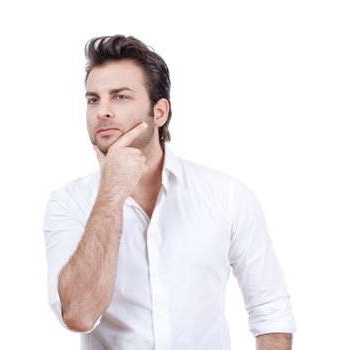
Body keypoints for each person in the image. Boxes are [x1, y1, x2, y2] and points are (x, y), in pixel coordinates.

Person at [43, 34, 296, 350]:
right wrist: (112, 190)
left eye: (120, 97)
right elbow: (79, 315)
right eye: (93, 99)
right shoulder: (69, 202)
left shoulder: (227, 195)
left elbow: (272, 316)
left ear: (159, 112)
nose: (102, 111)